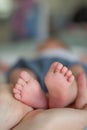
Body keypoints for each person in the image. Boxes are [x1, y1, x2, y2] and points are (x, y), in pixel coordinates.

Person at [6, 39, 87, 109]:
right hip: (36, 67)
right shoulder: (34, 57)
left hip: (65, 66)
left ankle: (68, 94)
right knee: (19, 72)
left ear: (64, 47)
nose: (49, 45)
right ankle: (37, 96)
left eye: (56, 44)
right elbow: (7, 68)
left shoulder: (72, 57)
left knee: (77, 70)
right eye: (44, 45)